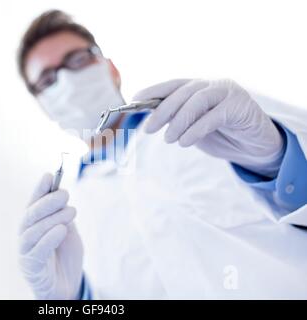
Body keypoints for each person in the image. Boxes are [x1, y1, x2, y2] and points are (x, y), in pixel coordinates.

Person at [16, 10, 307, 299]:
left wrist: (279, 159)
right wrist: (74, 299)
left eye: (77, 59)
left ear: (111, 69)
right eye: (47, 80)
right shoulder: (70, 214)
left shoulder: (213, 113)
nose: (66, 81)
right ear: (44, 105)